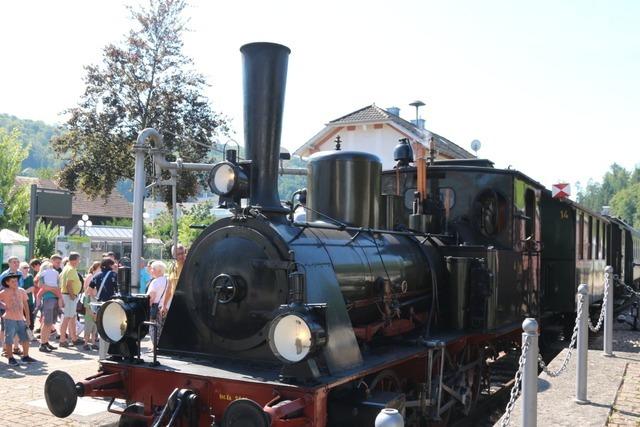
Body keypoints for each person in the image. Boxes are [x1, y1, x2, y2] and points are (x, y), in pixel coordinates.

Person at [0, 273, 36, 365]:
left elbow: (25, 305)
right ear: (7, 283)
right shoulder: (4, 292)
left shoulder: (22, 291)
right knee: (9, 339)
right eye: (12, 281)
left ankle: (25, 356)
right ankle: (10, 358)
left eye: (16, 281)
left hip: (21, 319)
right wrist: (3, 305)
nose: (15, 283)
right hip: (9, 319)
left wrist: (27, 318)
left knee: (25, 338)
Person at [59, 252, 83, 348]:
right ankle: (62, 340)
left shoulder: (66, 268)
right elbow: (68, 284)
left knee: (72, 317)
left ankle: (74, 338)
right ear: (74, 260)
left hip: (67, 295)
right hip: (69, 296)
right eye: (78, 259)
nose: (79, 261)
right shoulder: (71, 269)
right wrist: (72, 295)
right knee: (67, 318)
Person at [37, 261, 61, 352]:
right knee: (47, 323)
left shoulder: (54, 275)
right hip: (48, 299)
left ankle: (45, 342)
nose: (52, 269)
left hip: (54, 299)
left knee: (50, 323)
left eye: (52, 267)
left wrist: (53, 290)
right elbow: (42, 286)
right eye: (50, 267)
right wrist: (54, 289)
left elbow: (58, 287)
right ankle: (42, 344)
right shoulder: (42, 275)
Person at [146, 261, 168, 344]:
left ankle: (156, 346)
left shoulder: (155, 282)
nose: (151, 270)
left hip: (156, 309)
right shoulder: (167, 281)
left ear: (159, 270)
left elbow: (151, 297)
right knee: (163, 329)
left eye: (153, 269)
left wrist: (147, 308)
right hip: (165, 308)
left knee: (154, 328)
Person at [161, 244, 186, 317]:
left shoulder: (189, 264)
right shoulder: (172, 267)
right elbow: (169, 287)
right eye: (179, 254)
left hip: (187, 304)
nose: (182, 256)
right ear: (174, 255)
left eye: (183, 253)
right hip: (176, 303)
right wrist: (164, 305)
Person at [82, 261, 101, 351]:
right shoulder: (88, 297)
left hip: (95, 316)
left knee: (94, 330)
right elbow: (86, 307)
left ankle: (93, 343)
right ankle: (85, 343)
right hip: (89, 316)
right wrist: (92, 314)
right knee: (88, 330)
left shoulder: (96, 298)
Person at [19, 262, 36, 334]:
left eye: (28, 267)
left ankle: (30, 333)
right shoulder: (18, 277)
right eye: (25, 267)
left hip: (29, 301)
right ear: (20, 269)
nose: (27, 269)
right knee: (20, 318)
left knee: (30, 318)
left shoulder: (30, 276)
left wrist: (22, 292)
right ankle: (21, 334)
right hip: (19, 302)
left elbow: (32, 288)